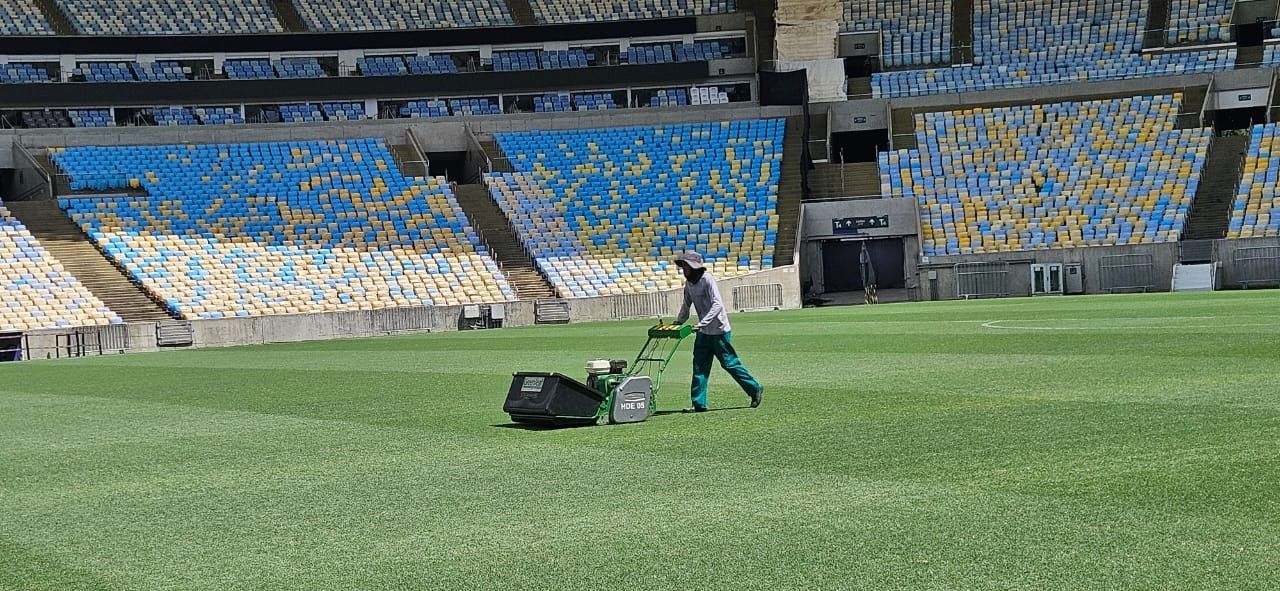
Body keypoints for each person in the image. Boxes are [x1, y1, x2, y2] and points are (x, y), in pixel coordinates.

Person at [672, 251, 763, 412]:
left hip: (719, 331)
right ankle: (698, 403)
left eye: (686, 266)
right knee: (699, 367)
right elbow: (686, 306)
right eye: (683, 266)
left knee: (730, 364)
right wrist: (678, 322)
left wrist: (701, 323)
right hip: (703, 333)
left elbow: (717, 305)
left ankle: (754, 388)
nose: (683, 269)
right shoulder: (689, 285)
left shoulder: (707, 280)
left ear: (693, 267)